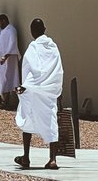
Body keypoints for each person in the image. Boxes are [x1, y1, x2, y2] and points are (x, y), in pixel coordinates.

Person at [15, 19, 63, 171]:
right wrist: (56, 88)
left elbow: (30, 69)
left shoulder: (33, 47)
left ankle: (26, 157)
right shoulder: (54, 47)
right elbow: (58, 70)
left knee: (28, 117)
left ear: (32, 31)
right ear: (45, 29)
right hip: (49, 92)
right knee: (51, 122)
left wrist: (26, 86)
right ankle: (53, 159)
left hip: (34, 91)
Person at [0, 14, 21, 106]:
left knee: (10, 80)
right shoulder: (4, 31)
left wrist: (6, 56)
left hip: (9, 60)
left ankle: (7, 102)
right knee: (3, 80)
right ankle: (3, 101)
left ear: (4, 20)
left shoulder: (11, 30)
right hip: (2, 62)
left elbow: (13, 44)